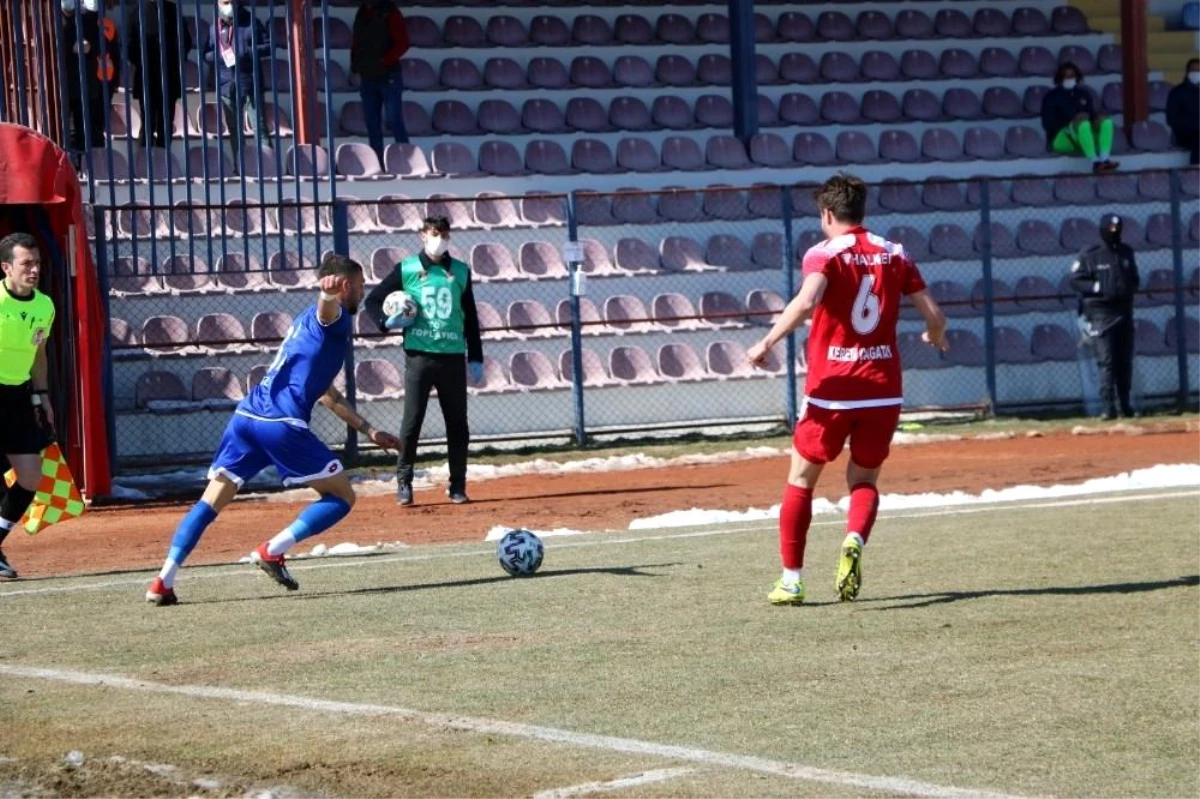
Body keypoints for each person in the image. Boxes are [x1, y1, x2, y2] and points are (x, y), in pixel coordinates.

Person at [145, 254, 402, 606]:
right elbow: (329, 311)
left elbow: (327, 395)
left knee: (211, 501)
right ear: (344, 285)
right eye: (359, 286)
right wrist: (327, 296)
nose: (362, 292)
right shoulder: (335, 317)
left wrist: (369, 430)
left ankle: (163, 580)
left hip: (247, 418)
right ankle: (272, 550)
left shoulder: (302, 324)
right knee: (342, 496)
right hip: (281, 424)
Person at [745, 174, 948, 605]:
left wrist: (766, 342)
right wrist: (935, 333)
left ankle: (792, 580)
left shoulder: (823, 253)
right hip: (882, 388)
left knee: (801, 479)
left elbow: (806, 302)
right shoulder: (894, 252)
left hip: (832, 390)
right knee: (865, 478)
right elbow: (934, 312)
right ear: (862, 211)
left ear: (827, 214)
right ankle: (854, 538)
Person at [363, 216, 484, 507]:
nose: (439, 239)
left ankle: (457, 485)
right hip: (419, 357)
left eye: (444, 234)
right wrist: (385, 322)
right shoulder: (407, 268)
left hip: (453, 358)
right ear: (422, 235)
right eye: (434, 233)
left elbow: (471, 317)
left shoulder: (461, 271)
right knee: (412, 422)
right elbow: (372, 300)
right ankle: (404, 483)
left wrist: (476, 356)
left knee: (458, 425)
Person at [0, 234, 58, 580]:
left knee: (31, 476)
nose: (34, 269)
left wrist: (43, 396)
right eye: (26, 263)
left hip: (19, 397)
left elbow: (39, 355)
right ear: (6, 267)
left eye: (36, 263)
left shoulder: (44, 306)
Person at [1070, 214, 1140, 421]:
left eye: (1117, 226)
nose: (1113, 230)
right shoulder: (1090, 254)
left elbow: (1134, 278)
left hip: (1124, 311)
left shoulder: (1126, 252)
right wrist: (1097, 287)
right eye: (1109, 226)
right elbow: (1075, 280)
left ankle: (1125, 404)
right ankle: (1108, 407)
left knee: (1124, 361)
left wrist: (1128, 289)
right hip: (1101, 313)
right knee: (1107, 361)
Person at [203, 0, 272, 172]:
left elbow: (268, 46)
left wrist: (245, 51)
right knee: (235, 130)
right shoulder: (215, 26)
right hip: (227, 83)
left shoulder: (251, 21)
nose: (225, 5)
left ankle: (269, 166)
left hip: (250, 82)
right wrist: (220, 55)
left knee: (260, 126)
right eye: (222, 2)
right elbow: (206, 54)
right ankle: (241, 166)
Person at [350, 0, 411, 162]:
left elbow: (403, 43)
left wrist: (385, 61)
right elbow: (356, 41)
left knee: (394, 119)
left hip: (388, 75)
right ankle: (377, 160)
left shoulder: (391, 12)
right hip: (367, 76)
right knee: (371, 121)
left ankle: (406, 159)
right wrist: (355, 66)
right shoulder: (361, 12)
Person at [126, 0, 191, 149]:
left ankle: (162, 163)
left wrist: (171, 59)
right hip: (148, 76)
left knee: (165, 124)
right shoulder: (136, 12)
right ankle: (146, 162)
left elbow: (185, 41)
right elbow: (130, 46)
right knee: (148, 123)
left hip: (167, 75)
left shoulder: (173, 10)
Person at [1041, 61, 1119, 173]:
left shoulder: (1084, 94)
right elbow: (1047, 123)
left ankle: (1105, 159)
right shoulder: (1051, 96)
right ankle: (1095, 163)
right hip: (1061, 138)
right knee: (1083, 124)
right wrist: (1072, 121)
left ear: (1077, 77)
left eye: (1072, 75)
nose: (1069, 78)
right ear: (1059, 77)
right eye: (1065, 76)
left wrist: (1097, 120)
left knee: (1106, 122)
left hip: (1083, 135)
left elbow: (1091, 115)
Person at [60, 0, 109, 155]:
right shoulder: (56, 19)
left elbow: (102, 45)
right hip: (63, 85)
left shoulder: (89, 20)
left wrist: (90, 47)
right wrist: (69, 48)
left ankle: (89, 166)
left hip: (88, 84)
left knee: (88, 129)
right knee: (62, 130)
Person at [1166, 58, 1200, 165]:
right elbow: (1171, 119)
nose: (1196, 73)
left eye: (1199, 71)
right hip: (1185, 134)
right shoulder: (1177, 92)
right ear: (1187, 72)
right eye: (1193, 70)